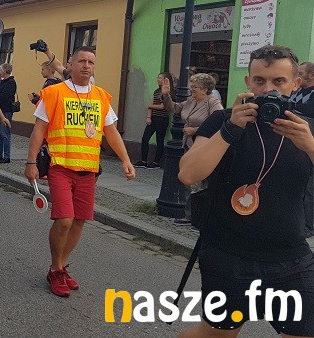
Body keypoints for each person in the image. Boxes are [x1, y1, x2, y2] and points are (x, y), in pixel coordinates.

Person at [177, 45, 314, 337]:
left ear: (295, 83)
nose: (268, 89)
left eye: (279, 81)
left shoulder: (308, 129)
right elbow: (188, 174)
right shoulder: (223, 121)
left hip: (291, 258)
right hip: (228, 254)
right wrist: (230, 129)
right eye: (260, 80)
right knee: (216, 334)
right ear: (248, 82)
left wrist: (311, 146)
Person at [25, 46, 135, 297]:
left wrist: (126, 160)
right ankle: (55, 269)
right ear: (70, 64)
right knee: (64, 219)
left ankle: (60, 267)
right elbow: (39, 130)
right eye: (82, 61)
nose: (86, 66)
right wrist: (31, 163)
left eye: (91, 62)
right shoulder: (54, 92)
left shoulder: (101, 96)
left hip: (89, 169)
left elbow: (111, 132)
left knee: (79, 221)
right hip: (61, 167)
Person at [162, 72, 223, 225]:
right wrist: (166, 95)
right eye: (191, 86)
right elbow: (174, 108)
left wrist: (195, 130)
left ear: (205, 89)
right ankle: (191, 214)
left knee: (198, 183)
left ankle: (194, 216)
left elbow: (219, 123)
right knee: (189, 182)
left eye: (195, 87)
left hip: (203, 147)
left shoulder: (212, 102)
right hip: (188, 145)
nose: (191, 89)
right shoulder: (191, 101)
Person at [290, 61, 314, 237]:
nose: (297, 76)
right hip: (294, 144)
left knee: (310, 187)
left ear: (311, 75)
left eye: (300, 73)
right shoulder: (297, 92)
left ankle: (308, 225)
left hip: (310, 144)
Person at [133, 72, 175, 169]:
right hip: (153, 118)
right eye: (158, 78)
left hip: (162, 119)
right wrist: (149, 117)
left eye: (160, 78)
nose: (158, 80)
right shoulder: (156, 91)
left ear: (165, 80)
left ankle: (156, 162)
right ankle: (143, 160)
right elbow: (150, 105)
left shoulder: (168, 92)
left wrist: (150, 106)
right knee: (145, 138)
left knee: (159, 140)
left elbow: (162, 106)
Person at [0, 63, 17, 163]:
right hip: (0, 109)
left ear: (5, 71)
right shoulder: (2, 82)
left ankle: (6, 156)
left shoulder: (11, 82)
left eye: (1, 70)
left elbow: (5, 95)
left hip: (6, 110)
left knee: (5, 133)